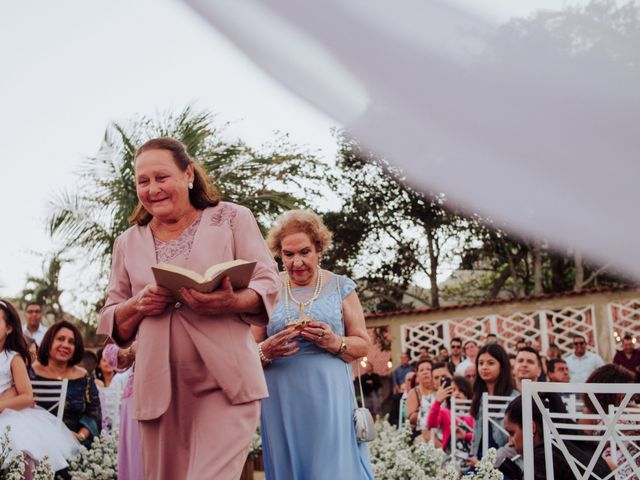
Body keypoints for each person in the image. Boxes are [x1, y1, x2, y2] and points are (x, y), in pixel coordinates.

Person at [96, 137, 280, 479]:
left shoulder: (232, 218)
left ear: (188, 174)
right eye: (143, 181)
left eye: (161, 177)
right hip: (158, 388)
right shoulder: (127, 242)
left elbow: (269, 282)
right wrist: (137, 305)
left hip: (226, 383)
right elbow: (112, 319)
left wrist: (232, 301)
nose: (153, 189)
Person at [255, 209, 373, 479]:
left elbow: (362, 344)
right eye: (288, 254)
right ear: (279, 254)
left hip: (329, 393)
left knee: (330, 467)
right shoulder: (268, 289)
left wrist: (334, 341)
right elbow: (248, 347)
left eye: (304, 252)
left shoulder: (341, 287)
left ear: (319, 249)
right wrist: (266, 350)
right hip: (280, 395)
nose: (297, 262)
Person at [0, 300, 79, 473]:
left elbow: (27, 396)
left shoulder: (12, 358)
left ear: (9, 328)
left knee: (20, 449)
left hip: (7, 417)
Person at [503, 395, 612, 479]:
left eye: (512, 433)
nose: (510, 443)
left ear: (531, 427)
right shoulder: (567, 446)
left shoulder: (544, 457)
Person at [30, 320, 102, 447]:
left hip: (75, 446)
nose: (66, 345)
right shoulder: (30, 373)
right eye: (60, 339)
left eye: (71, 342)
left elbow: (94, 412)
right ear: (49, 342)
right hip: (35, 444)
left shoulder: (84, 377)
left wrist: (80, 436)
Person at [583, 364, 640, 478]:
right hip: (607, 464)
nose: (632, 394)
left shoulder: (631, 408)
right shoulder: (591, 412)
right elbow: (583, 443)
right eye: (626, 389)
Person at [468, 343, 517, 466]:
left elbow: (515, 445)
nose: (484, 367)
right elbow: (476, 437)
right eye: (481, 363)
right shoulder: (479, 398)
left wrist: (486, 463)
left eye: (491, 363)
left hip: (506, 465)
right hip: (478, 462)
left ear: (502, 366)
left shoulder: (514, 399)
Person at [102, 342, 142, 480]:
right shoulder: (119, 379)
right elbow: (109, 351)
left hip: (183, 391)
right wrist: (130, 350)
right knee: (138, 460)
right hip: (138, 395)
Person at [427, 364, 474, 452]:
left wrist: (465, 436)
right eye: (453, 390)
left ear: (467, 393)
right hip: (450, 457)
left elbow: (481, 437)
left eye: (461, 390)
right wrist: (437, 402)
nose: (457, 393)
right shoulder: (445, 412)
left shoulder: (474, 413)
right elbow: (431, 424)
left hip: (472, 456)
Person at [406, 359, 435, 443]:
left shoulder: (438, 389)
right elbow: (411, 418)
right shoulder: (414, 392)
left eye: (428, 369)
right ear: (417, 374)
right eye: (421, 370)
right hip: (420, 431)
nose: (425, 372)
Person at [390, 351, 414, 425]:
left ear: (408, 358)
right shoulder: (396, 370)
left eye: (404, 357)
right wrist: (400, 391)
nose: (403, 359)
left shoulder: (412, 368)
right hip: (401, 392)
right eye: (401, 358)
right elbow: (395, 383)